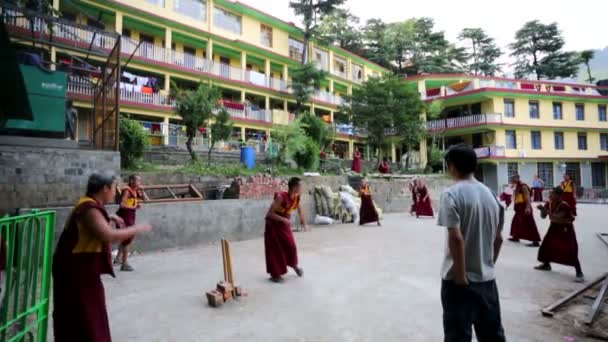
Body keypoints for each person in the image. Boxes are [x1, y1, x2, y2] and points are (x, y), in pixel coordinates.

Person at [53, 172, 151, 342]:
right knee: (84, 318)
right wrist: (138, 228)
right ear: (105, 188)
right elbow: (109, 236)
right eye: (114, 188)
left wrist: (109, 216)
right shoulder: (89, 209)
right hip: (76, 274)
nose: (116, 191)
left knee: (91, 316)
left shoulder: (90, 205)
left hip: (82, 272)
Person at [438, 144, 506, 342]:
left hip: (459, 281)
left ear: (452, 166)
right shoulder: (492, 196)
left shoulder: (451, 194)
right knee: (492, 334)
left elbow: (456, 238)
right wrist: (487, 266)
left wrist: (460, 276)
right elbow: (499, 239)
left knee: (458, 335)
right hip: (487, 280)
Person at [535, 187, 585, 283]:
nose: (550, 195)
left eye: (552, 194)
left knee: (570, 250)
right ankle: (546, 264)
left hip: (565, 228)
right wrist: (542, 211)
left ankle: (579, 273)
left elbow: (557, 218)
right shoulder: (549, 203)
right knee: (547, 245)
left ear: (559, 196)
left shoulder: (564, 205)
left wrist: (546, 211)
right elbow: (543, 217)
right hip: (554, 227)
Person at [264, 177, 305, 283]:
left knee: (291, 245)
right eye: (300, 186)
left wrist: (303, 221)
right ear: (295, 187)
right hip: (273, 225)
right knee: (275, 249)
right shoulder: (281, 197)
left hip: (284, 224)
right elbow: (269, 214)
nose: (301, 188)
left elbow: (299, 208)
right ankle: (275, 275)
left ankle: (294, 265)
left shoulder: (296, 197)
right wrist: (283, 219)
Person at [114, 175, 144, 272]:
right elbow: (122, 205)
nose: (140, 183)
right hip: (124, 217)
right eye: (138, 181)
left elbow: (142, 199)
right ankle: (124, 263)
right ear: (131, 181)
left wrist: (141, 192)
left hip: (130, 217)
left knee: (124, 238)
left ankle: (118, 258)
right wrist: (134, 207)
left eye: (140, 181)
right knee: (127, 239)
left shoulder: (134, 190)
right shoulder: (127, 190)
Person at [508, 175, 541, 247]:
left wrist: (528, 207)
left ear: (517, 178)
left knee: (529, 223)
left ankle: (535, 241)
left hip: (524, 207)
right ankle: (516, 237)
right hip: (519, 208)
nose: (512, 180)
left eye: (513, 178)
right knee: (516, 222)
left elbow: (527, 197)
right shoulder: (517, 186)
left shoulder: (523, 186)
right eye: (512, 178)